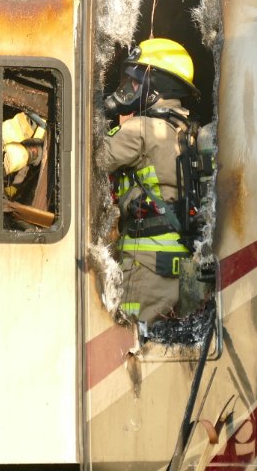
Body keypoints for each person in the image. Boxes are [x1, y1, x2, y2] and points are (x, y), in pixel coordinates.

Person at [98, 37, 200, 330]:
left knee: (130, 336)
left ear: (155, 86)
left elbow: (91, 160)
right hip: (176, 261)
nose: (128, 89)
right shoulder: (187, 130)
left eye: (134, 82)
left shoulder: (142, 129)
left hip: (144, 263)